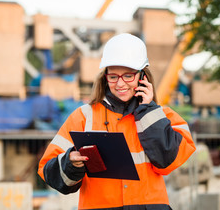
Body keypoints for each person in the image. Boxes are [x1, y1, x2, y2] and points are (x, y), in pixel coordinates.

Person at [38, 33, 196, 210]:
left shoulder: (163, 116)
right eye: (113, 76)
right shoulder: (83, 117)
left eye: (128, 76)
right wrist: (70, 162)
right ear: (105, 76)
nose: (120, 84)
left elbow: (168, 162)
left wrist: (148, 112)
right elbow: (47, 169)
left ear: (142, 76)